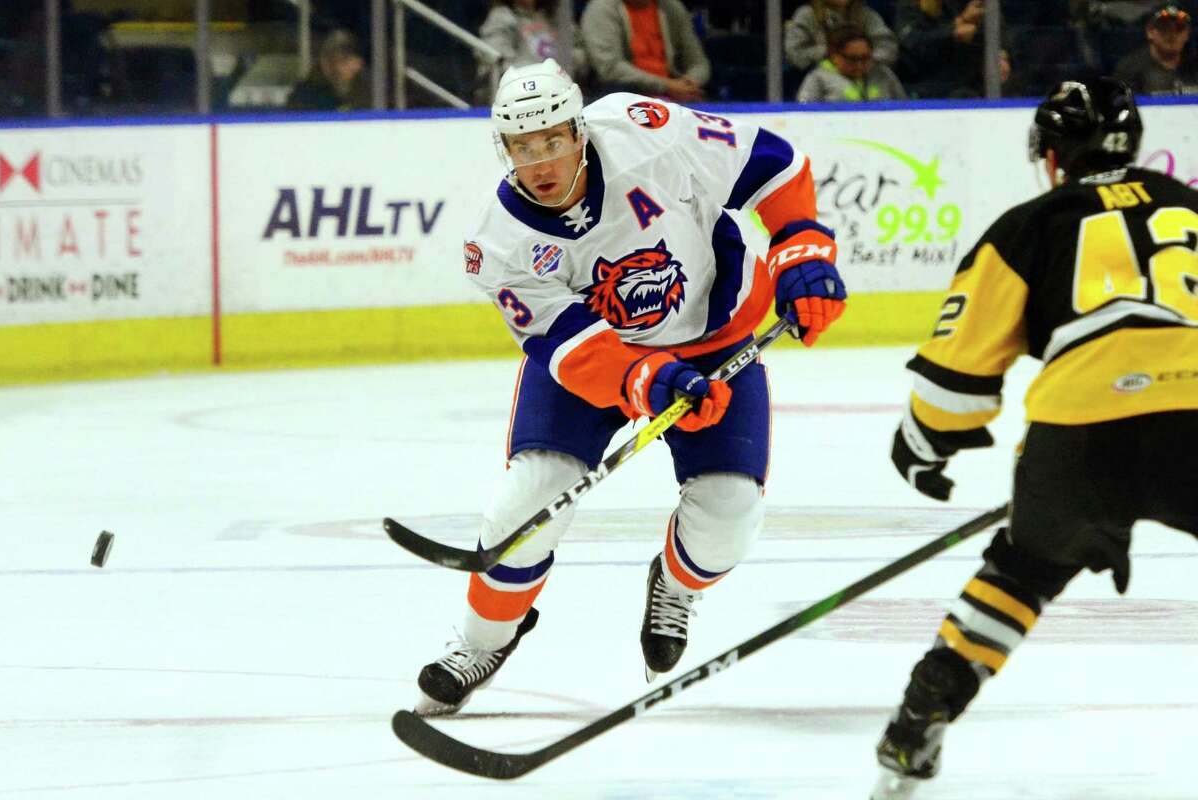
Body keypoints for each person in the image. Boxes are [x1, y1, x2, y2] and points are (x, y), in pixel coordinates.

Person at [413, 58, 847, 716]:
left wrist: (801, 248)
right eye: (524, 147)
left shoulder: (651, 133)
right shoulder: (496, 242)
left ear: (580, 132)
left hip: (714, 338)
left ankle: (674, 586)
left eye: (553, 139)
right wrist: (647, 378)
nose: (542, 162)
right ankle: (482, 641)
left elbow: (773, 163)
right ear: (503, 149)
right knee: (526, 505)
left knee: (729, 515)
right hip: (593, 366)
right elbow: (568, 344)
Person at [870, 76, 1198, 799]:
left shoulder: (1028, 224)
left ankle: (930, 699)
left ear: (1054, 155)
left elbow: (955, 376)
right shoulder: (1193, 208)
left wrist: (926, 445)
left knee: (1022, 572)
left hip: (1078, 431)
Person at [580, 0, 711, 102]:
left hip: (675, 95)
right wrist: (667, 86)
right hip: (625, 97)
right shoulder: (601, 9)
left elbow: (698, 62)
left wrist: (690, 83)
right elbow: (609, 68)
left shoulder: (672, 7)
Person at [475, 0, 589, 104]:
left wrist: (564, 68)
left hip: (561, 88)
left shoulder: (555, 15)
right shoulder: (501, 16)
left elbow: (578, 48)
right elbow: (497, 58)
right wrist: (537, 76)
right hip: (522, 95)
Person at [894, 0, 1004, 97]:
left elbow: (996, 32)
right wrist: (955, 27)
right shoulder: (909, 7)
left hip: (966, 84)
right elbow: (913, 43)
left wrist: (1001, 54)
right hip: (922, 83)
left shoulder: (958, 5)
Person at [797, 24, 907, 102]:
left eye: (865, 58)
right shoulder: (817, 79)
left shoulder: (884, 74)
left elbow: (905, 109)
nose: (859, 65)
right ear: (834, 56)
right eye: (852, 59)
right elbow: (804, 116)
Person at [785, 0, 899, 73]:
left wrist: (863, 61)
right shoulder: (806, 15)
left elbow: (888, 48)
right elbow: (796, 55)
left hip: (866, 77)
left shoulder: (866, 15)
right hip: (822, 78)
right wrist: (831, 54)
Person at [1114, 3, 1198, 95]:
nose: (1172, 35)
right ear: (1150, 31)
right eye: (1164, 28)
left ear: (1187, 34)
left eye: (1179, 28)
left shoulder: (1194, 66)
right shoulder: (1130, 70)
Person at [286, 29, 369, 111]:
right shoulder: (304, 95)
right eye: (341, 60)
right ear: (325, 62)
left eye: (348, 59)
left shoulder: (367, 89)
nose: (354, 66)